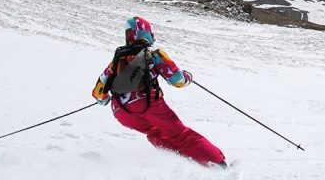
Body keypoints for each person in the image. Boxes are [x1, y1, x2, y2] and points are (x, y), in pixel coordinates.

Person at [92, 16, 227, 167]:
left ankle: (178, 162)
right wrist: (188, 77)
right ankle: (217, 163)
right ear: (145, 33)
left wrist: (105, 99)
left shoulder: (117, 60)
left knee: (155, 133)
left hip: (121, 111)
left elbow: (99, 92)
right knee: (179, 133)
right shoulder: (154, 54)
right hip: (147, 102)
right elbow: (178, 80)